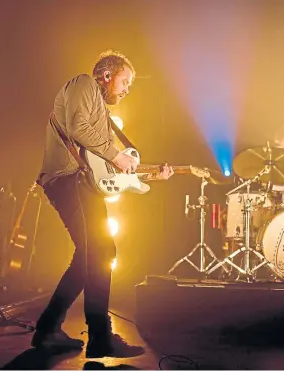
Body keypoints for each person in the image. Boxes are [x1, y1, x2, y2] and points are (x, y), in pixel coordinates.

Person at [33, 50, 174, 358]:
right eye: (125, 81)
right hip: (65, 179)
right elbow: (77, 128)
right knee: (97, 252)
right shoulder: (84, 83)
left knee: (95, 253)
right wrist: (116, 155)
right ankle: (98, 336)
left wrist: (149, 173)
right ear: (107, 76)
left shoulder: (104, 116)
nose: (126, 89)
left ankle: (48, 330)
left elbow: (107, 162)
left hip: (82, 182)